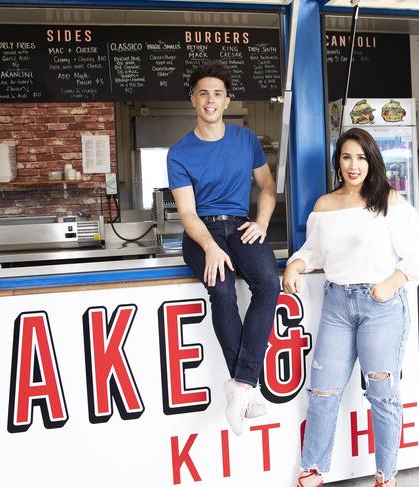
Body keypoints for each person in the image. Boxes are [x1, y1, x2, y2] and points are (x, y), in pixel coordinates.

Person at [283, 128, 419, 487]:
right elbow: (314, 252)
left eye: (362, 158)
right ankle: (313, 470)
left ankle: (386, 476)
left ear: (372, 161)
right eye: (347, 157)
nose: (354, 166)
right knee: (322, 391)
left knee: (382, 394)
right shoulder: (325, 205)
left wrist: (391, 283)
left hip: (380, 305)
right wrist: (295, 264)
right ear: (338, 161)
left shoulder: (389, 201)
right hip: (337, 303)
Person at [167, 61, 280, 436]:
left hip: (241, 225)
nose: (210, 100)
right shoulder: (179, 152)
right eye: (203, 93)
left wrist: (262, 223)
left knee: (269, 284)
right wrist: (210, 247)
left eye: (217, 93)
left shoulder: (246, 140)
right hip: (202, 232)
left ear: (227, 101)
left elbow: (266, 187)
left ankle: (241, 385)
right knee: (222, 289)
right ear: (193, 100)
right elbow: (186, 213)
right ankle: (248, 387)